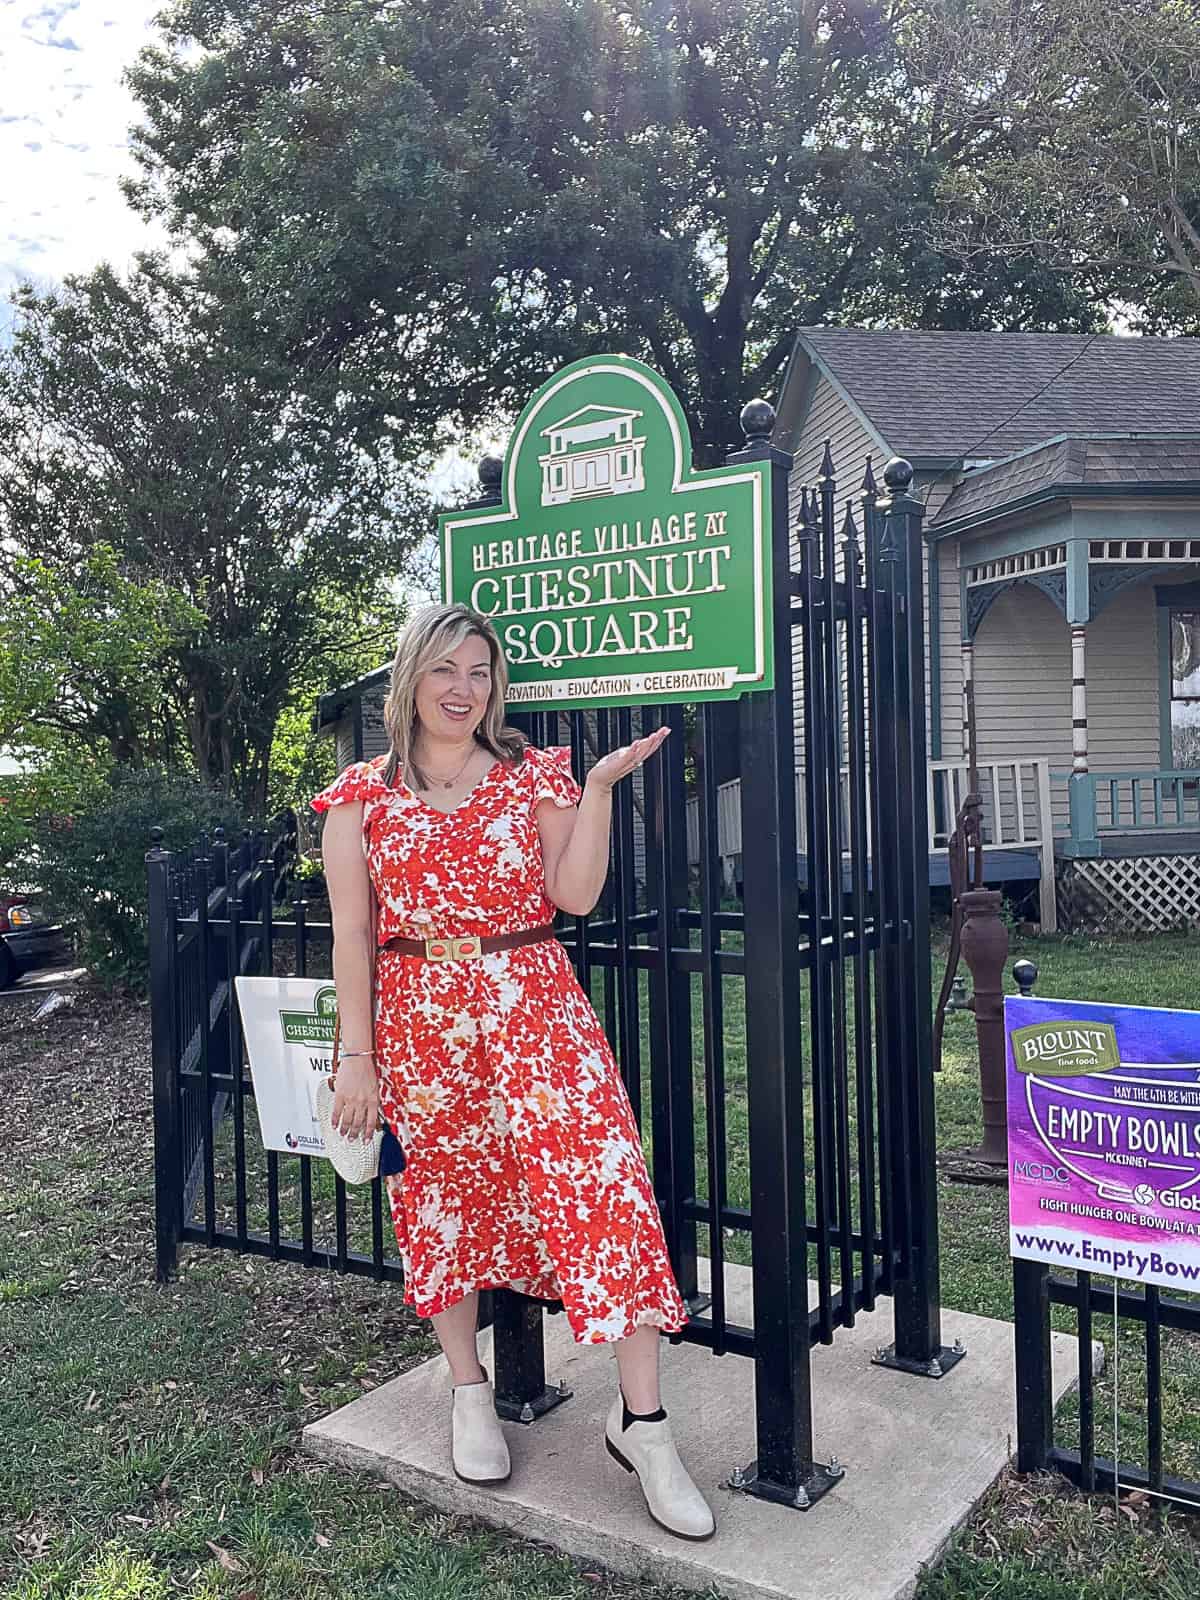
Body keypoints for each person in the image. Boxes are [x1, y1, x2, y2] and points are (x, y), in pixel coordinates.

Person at [310, 601, 714, 1541]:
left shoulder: (533, 775)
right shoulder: (358, 798)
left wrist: (602, 791)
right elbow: (350, 938)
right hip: (419, 1025)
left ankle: (644, 1426)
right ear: (411, 677)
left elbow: (573, 895)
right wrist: (356, 1060)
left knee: (606, 1193)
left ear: (497, 686)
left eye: (480, 672)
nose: (463, 688)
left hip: (536, 1013)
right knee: (443, 1204)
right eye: (446, 669)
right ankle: (468, 1390)